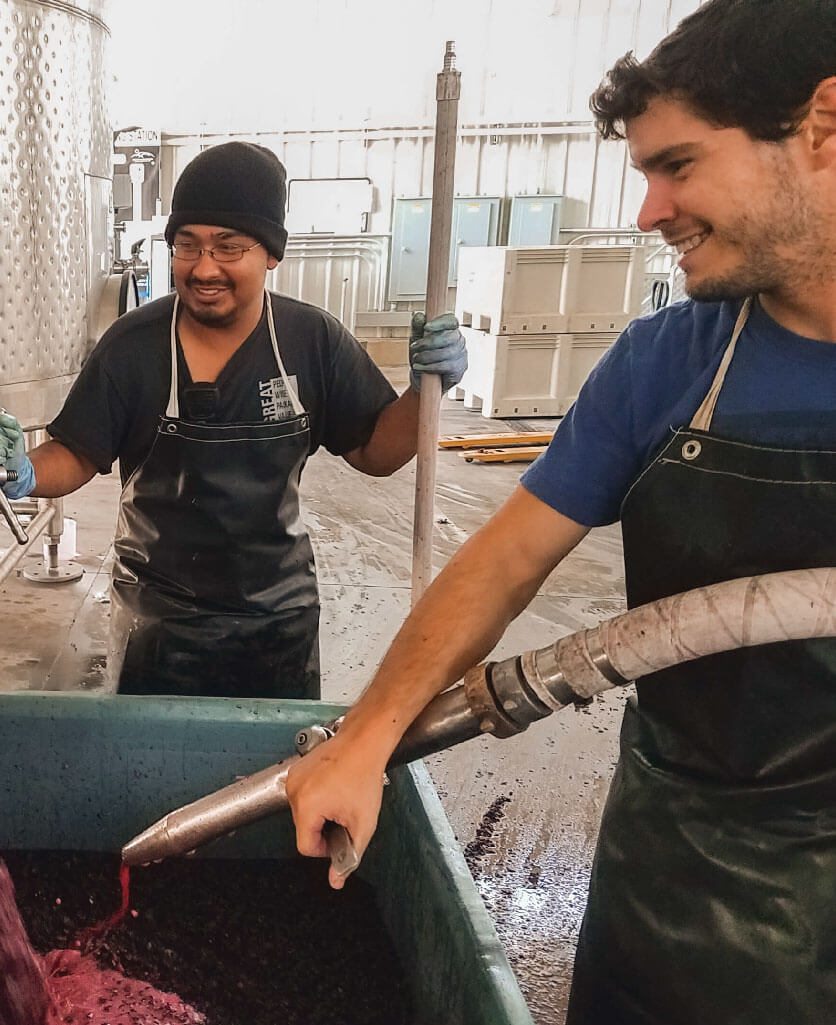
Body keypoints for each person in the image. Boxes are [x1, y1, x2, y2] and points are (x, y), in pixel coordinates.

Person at [286, 1, 836, 1021]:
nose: (645, 210)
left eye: (677, 165)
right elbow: (498, 564)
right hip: (671, 872)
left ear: (821, 126)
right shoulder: (665, 360)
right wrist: (362, 740)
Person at [0, 142, 467, 700]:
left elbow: (376, 452)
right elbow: (78, 453)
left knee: (269, 778)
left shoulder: (311, 341)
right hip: (157, 620)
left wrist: (422, 391)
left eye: (229, 247)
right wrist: (21, 470)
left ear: (271, 253)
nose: (204, 268)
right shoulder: (133, 345)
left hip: (279, 621)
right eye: (187, 246)